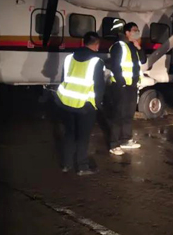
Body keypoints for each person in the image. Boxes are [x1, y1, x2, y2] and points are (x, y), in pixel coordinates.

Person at [55, 32, 105, 176]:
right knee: (83, 136)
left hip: (66, 101)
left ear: (83, 42)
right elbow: (99, 86)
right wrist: (98, 104)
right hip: (85, 105)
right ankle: (82, 166)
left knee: (69, 133)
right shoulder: (97, 61)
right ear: (96, 45)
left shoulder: (69, 58)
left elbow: (64, 78)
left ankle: (66, 164)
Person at [107, 22, 147, 155]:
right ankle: (114, 144)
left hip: (132, 86)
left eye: (138, 30)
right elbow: (115, 66)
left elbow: (143, 60)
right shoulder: (119, 46)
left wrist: (139, 47)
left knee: (128, 114)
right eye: (135, 30)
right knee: (118, 114)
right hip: (121, 86)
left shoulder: (133, 46)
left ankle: (126, 139)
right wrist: (122, 82)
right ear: (127, 32)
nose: (137, 32)